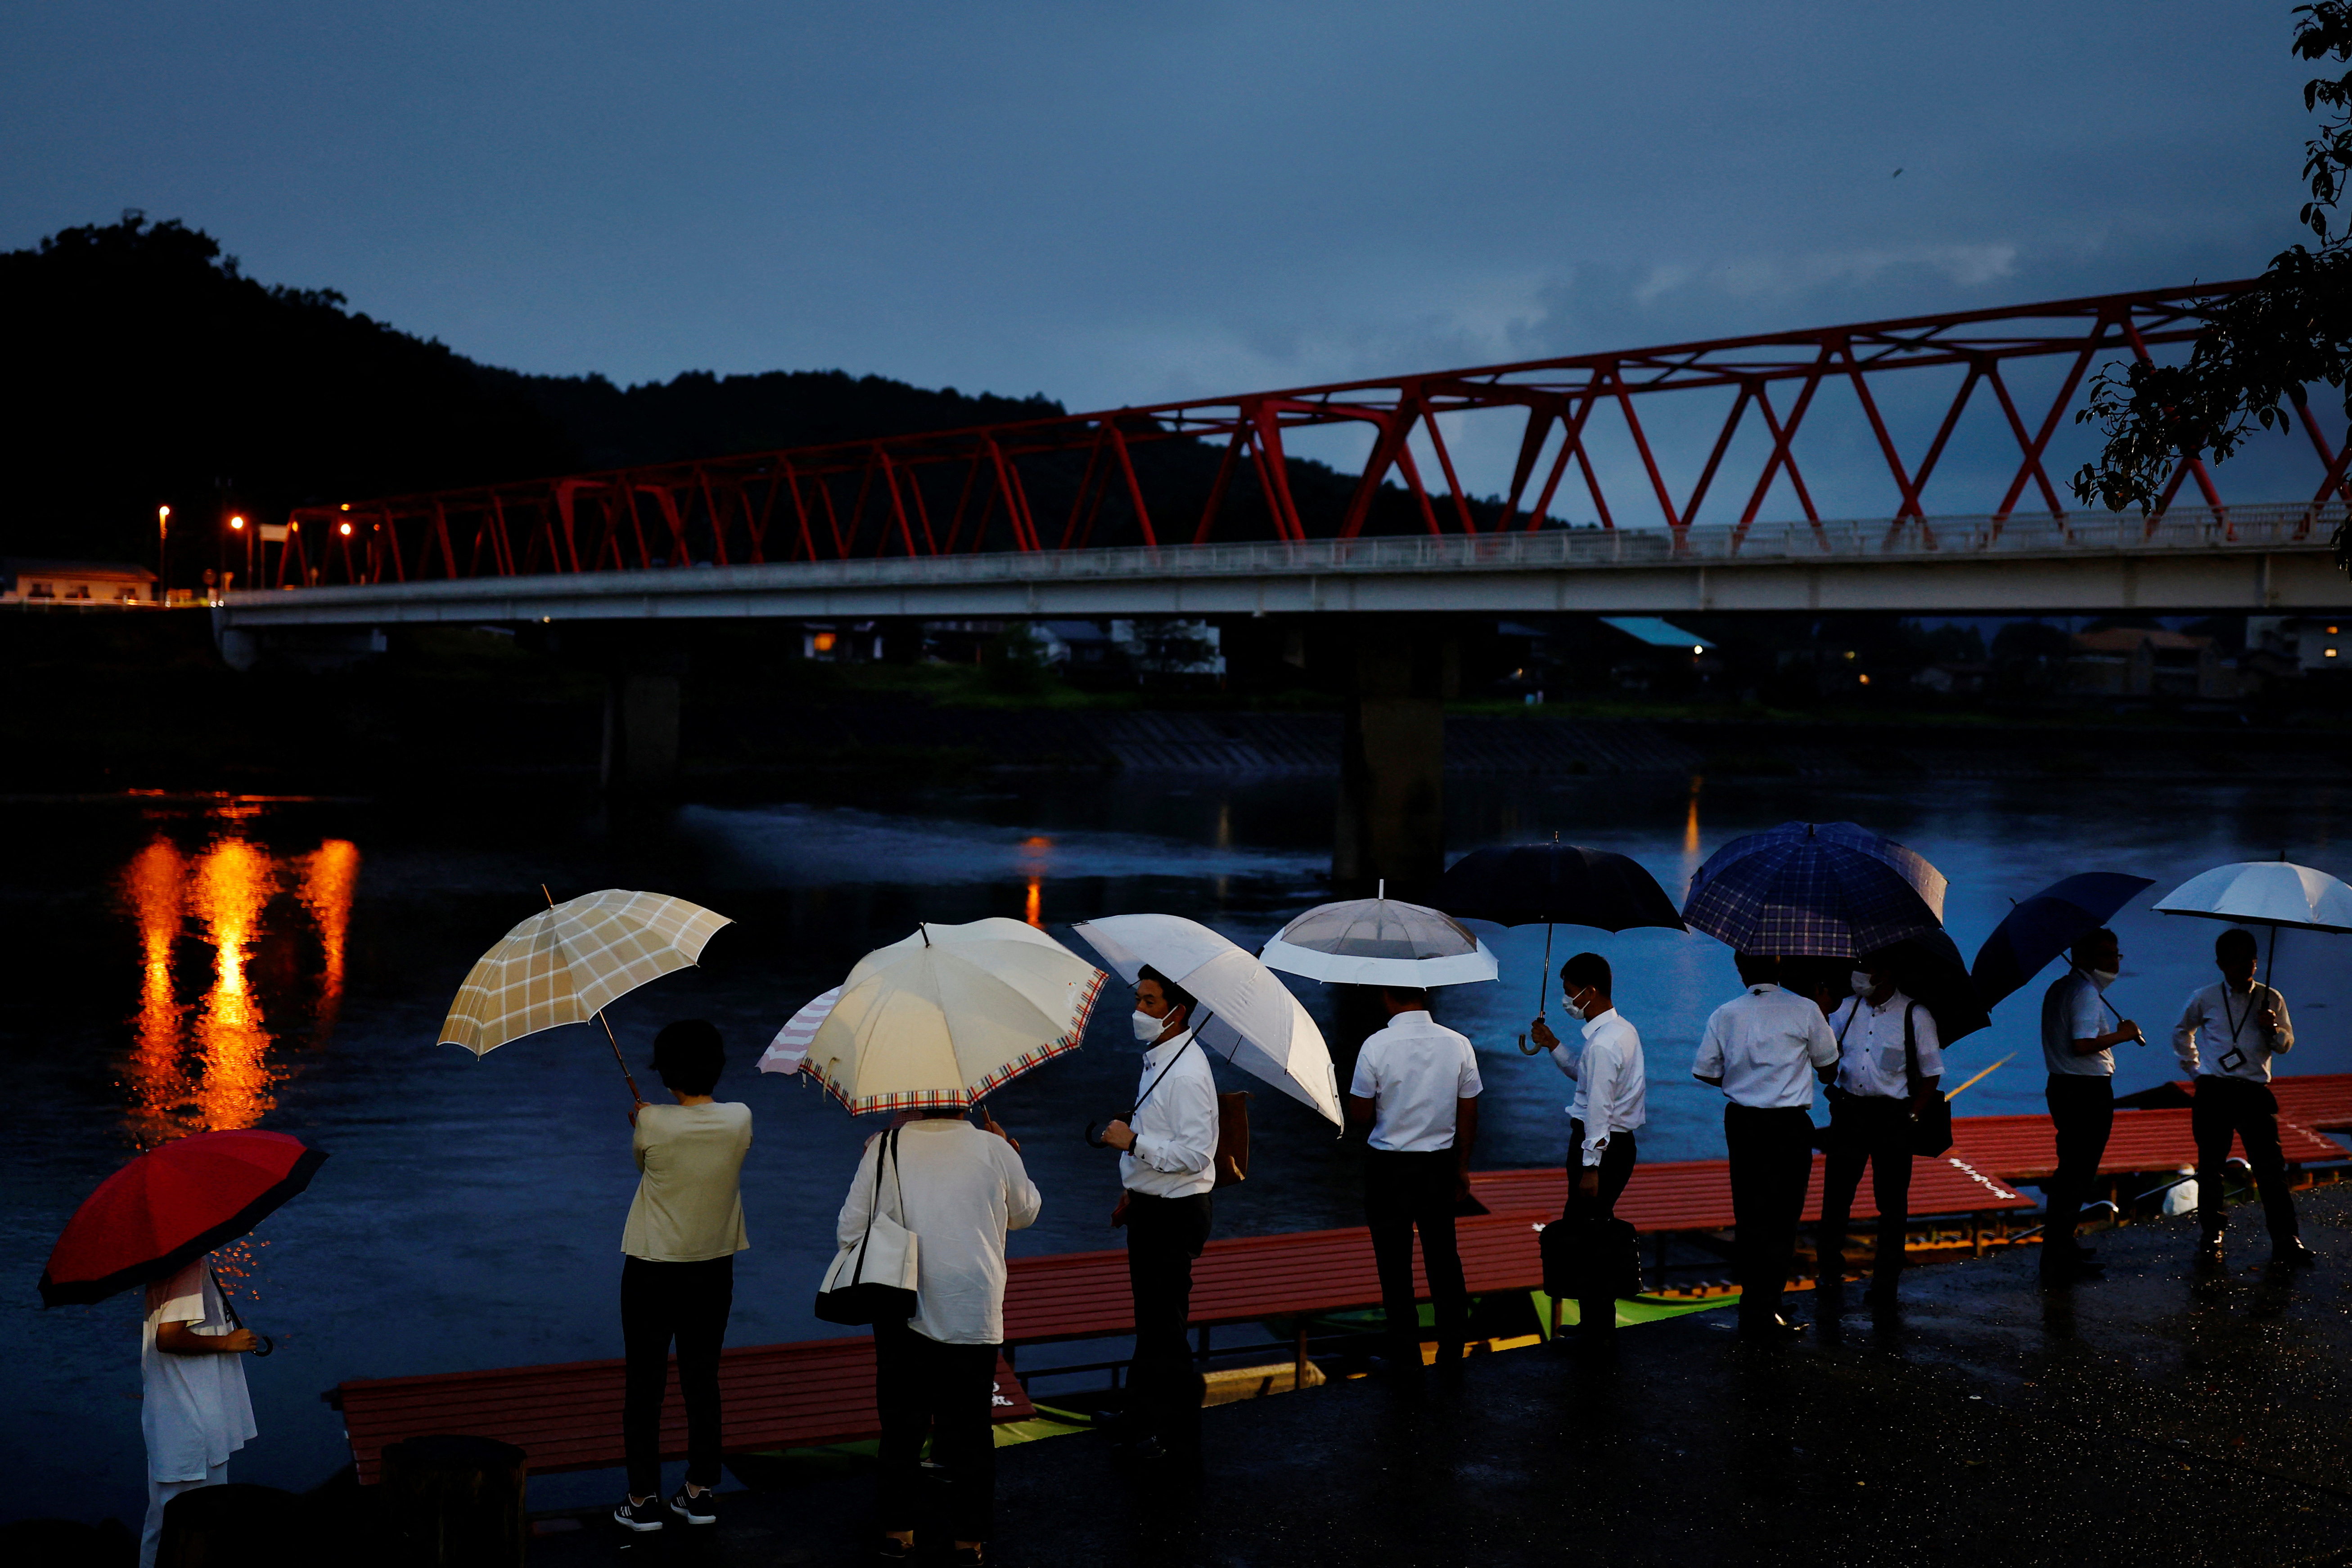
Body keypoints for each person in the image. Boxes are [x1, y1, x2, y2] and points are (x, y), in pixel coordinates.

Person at [845, 1104, 1039, 1567]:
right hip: (973, 1306)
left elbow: (849, 1231)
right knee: (971, 1429)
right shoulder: (994, 1147)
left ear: (909, 1099)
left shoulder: (884, 1147)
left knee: (902, 1425)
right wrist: (1011, 1153)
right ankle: (968, 1541)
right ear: (966, 1095)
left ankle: (898, 1532)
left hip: (900, 1307)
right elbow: (1025, 1213)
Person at [614, 1020, 752, 1534]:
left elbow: (645, 1160)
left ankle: (642, 1498)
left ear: (667, 1072)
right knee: (702, 1377)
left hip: (651, 1270)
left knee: (645, 1383)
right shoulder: (740, 1117)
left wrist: (644, 1121)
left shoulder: (652, 1124)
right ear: (716, 1066)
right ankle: (699, 1492)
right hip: (714, 1269)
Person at [1097, 965, 1218, 1457]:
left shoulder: (1187, 1072)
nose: (1138, 1010)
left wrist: (1134, 1143)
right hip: (1153, 1206)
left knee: (1165, 1323)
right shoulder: (1161, 1059)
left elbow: (1196, 1154)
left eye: (1149, 1001)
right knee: (1154, 1319)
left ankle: (1177, 1428)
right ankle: (1140, 1415)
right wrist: (1135, 1188)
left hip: (1174, 1214)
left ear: (1177, 1011)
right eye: (1139, 998)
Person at [1692, 953, 1839, 1340]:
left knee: (1750, 1213)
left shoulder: (1725, 1013)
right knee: (1783, 1216)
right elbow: (1829, 1067)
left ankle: (1755, 1304)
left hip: (1743, 1122)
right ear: (1779, 964)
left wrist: (1744, 1078)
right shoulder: (1806, 1009)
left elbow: (1705, 1071)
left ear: (1740, 968)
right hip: (1788, 1124)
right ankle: (1768, 1305)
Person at [1346, 984, 1483, 1372]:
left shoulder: (1376, 1045)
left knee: (1394, 1263)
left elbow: (1359, 1116)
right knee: (1443, 1258)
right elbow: (1469, 1112)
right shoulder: (1458, 1044)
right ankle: (1452, 1349)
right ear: (1425, 994)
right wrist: (1461, 1166)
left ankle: (1405, 1355)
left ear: (1387, 996)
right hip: (1439, 1165)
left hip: (1389, 1168)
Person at [2174, 927, 2316, 1267]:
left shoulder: (2271, 998)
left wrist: (2271, 1028)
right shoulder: (2204, 997)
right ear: (2221, 963)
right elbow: (2182, 1032)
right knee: (2210, 1166)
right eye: (2235, 960)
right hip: (2214, 1089)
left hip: (2254, 1092)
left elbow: (2285, 1045)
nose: (2244, 967)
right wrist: (2195, 1070)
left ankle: (2286, 1238)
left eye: (2250, 960)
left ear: (2256, 961)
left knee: (2271, 1168)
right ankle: (2212, 1232)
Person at [1527, 952, 1645, 1344]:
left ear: (1590, 992)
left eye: (1570, 992)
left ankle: (1597, 1329)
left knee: (1588, 1234)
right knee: (1593, 1230)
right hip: (1617, 1143)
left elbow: (1598, 1107)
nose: (1567, 1000)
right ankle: (1598, 1322)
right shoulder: (1620, 1032)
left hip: (1601, 1146)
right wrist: (1554, 1044)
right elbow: (1586, 1076)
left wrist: (1590, 1165)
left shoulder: (1604, 1044)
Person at [1816, 952, 1942, 1307]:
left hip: (1893, 1117)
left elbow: (1932, 1072)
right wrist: (1822, 1015)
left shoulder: (1915, 1015)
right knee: (1836, 1197)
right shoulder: (1847, 1009)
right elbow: (1825, 1055)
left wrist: (1913, 1116)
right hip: (1848, 1113)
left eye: (1865, 970)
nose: (1857, 976)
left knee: (1892, 1204)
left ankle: (1886, 1280)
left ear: (1886, 973)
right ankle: (1829, 1271)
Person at [140, 1253, 260, 1568]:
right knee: (194, 1525)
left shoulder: (170, 1263)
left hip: (177, 1416)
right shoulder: (187, 1266)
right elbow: (168, 1337)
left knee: (164, 1522)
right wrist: (227, 1343)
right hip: (192, 1417)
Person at [2039, 929, 2141, 1285]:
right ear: (2083, 957)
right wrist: (2123, 1035)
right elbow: (2082, 1044)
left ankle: (2061, 1245)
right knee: (2076, 1175)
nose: (2114, 961)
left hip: (2063, 1087)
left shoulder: (2061, 988)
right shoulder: (2084, 993)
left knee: (2070, 1171)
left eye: (2116, 954)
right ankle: (2058, 1258)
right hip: (2084, 1092)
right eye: (2106, 954)